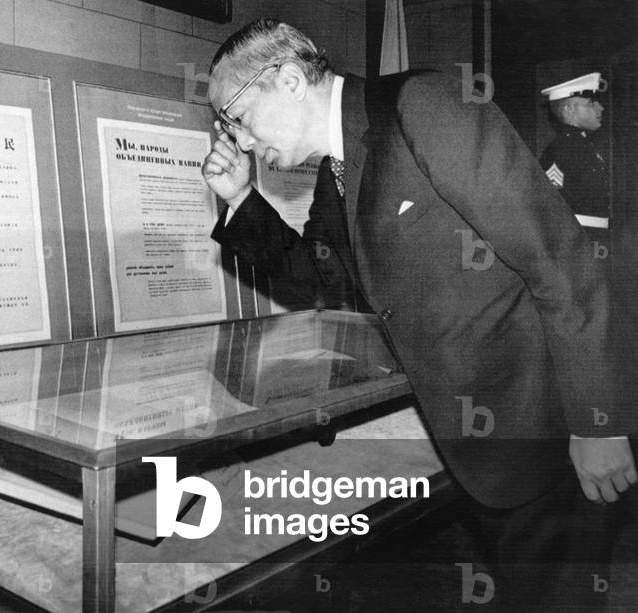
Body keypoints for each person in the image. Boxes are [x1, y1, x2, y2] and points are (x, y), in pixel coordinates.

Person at [201, 19, 636, 610]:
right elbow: (317, 281)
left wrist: (598, 421)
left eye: (236, 116)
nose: (240, 142)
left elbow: (559, 259)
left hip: (548, 438)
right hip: (479, 454)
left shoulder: (424, 106)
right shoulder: (338, 173)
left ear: (290, 79)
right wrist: (241, 203)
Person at [539, 72, 611, 248]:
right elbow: (552, 205)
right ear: (569, 110)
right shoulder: (560, 150)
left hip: (592, 238)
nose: (600, 108)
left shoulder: (583, 146)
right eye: (591, 103)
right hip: (576, 241)